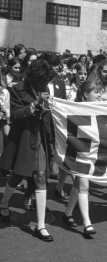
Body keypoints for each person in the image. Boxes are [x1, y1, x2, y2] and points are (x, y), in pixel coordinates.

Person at [0, 59, 55, 242]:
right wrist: (34, 104)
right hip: (22, 138)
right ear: (33, 78)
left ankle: (41, 226)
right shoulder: (17, 89)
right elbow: (14, 115)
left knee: (40, 176)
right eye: (42, 82)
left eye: (47, 81)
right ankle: (4, 203)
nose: (45, 85)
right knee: (17, 177)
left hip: (40, 137)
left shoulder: (47, 88)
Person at [63, 80, 101, 237]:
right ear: (86, 94)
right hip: (76, 152)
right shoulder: (74, 108)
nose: (99, 94)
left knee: (78, 185)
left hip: (90, 152)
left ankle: (67, 213)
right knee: (83, 184)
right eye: (96, 92)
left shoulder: (101, 107)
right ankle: (87, 223)